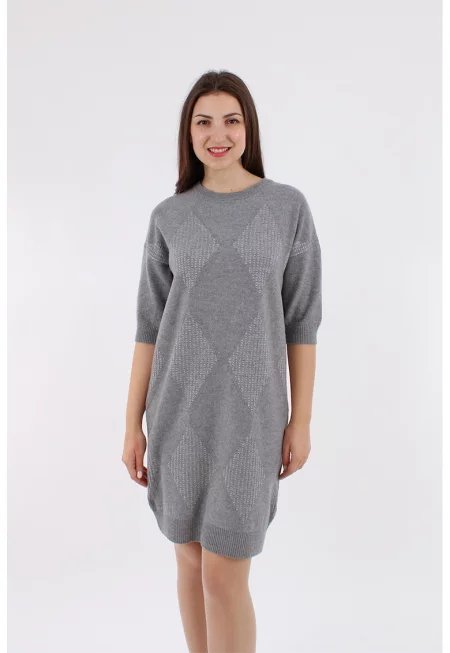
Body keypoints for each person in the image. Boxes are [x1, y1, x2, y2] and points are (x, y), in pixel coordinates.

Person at [122, 69, 322, 653]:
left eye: (231, 121)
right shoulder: (169, 217)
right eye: (203, 122)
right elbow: (148, 328)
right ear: (188, 133)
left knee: (224, 575)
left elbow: (302, 321)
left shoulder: (286, 207)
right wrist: (131, 423)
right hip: (177, 412)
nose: (218, 134)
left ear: (248, 128)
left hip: (252, 417)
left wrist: (301, 420)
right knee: (190, 562)